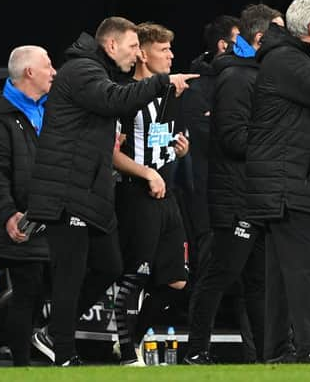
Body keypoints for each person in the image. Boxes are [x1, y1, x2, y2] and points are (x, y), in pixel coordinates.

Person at [27, 16, 197, 366]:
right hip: (67, 190)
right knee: (71, 274)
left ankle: (51, 333)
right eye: (133, 46)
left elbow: (104, 112)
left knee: (110, 265)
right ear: (111, 45)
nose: (136, 54)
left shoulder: (96, 72)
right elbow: (113, 100)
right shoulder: (83, 70)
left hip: (92, 192)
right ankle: (64, 353)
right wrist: (163, 82)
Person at [243, 0, 310, 364]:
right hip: (290, 182)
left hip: (290, 179)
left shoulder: (295, 59)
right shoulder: (287, 59)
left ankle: (277, 352)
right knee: (302, 271)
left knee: (281, 273)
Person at [185, 4, 283, 365]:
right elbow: (231, 139)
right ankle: (196, 351)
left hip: (254, 194)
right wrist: (276, 140)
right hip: (235, 196)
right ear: (260, 38)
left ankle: (266, 356)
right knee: (219, 275)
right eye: (279, 32)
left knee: (258, 282)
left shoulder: (254, 75)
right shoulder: (237, 78)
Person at [111, 22, 191, 366]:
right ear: (143, 54)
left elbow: (158, 143)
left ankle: (134, 338)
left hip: (166, 193)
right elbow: (111, 152)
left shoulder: (171, 96)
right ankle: (127, 355)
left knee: (176, 281)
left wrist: (178, 152)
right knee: (134, 276)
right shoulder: (123, 95)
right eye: (164, 50)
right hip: (136, 193)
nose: (171, 56)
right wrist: (146, 173)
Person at [0, 45, 55, 366]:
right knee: (28, 290)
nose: (54, 72)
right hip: (19, 220)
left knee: (46, 292)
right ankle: (20, 368)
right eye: (48, 66)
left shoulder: (53, 107)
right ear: (29, 73)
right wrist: (8, 214)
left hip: (53, 218)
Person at [179, 15, 240, 276]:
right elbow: (212, 135)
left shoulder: (242, 80)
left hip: (237, 189)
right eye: (241, 43)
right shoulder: (195, 86)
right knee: (207, 263)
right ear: (223, 46)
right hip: (204, 190)